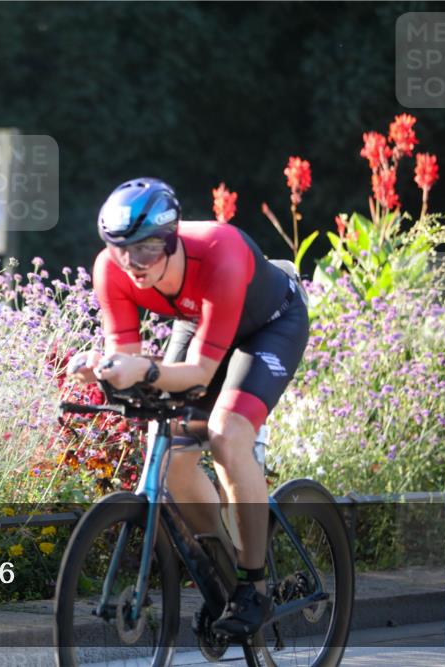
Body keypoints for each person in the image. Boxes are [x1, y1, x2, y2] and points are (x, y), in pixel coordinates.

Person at [67, 178, 309, 638]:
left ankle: (253, 586)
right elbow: (128, 355)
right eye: (121, 249)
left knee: (227, 432)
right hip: (201, 320)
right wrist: (104, 368)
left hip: (271, 324)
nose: (133, 264)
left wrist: (144, 371)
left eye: (148, 249)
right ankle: (224, 575)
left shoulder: (220, 251)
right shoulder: (111, 269)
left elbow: (197, 372)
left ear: (174, 236)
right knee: (174, 456)